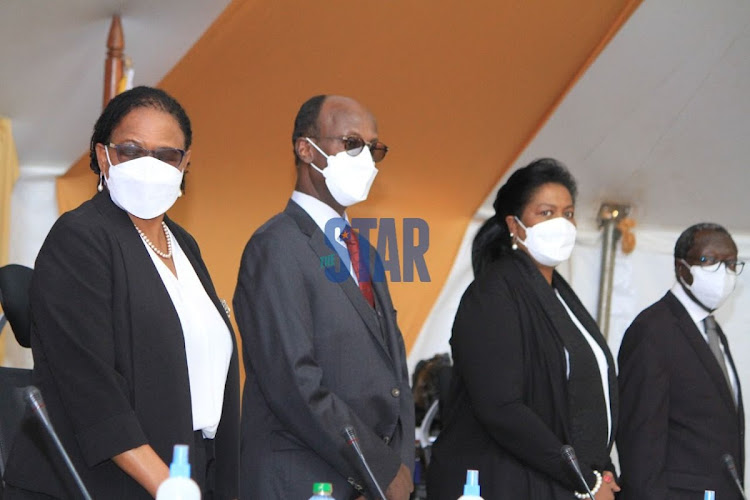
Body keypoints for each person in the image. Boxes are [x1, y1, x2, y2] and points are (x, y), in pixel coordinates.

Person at [3, 86, 240, 499]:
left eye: (166, 155)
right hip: (102, 483)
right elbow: (90, 388)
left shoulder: (183, 244)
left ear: (185, 164)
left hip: (184, 469)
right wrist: (166, 485)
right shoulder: (79, 238)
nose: (150, 164)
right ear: (102, 156)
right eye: (131, 150)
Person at [233, 95, 414, 500]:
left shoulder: (363, 251)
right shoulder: (275, 246)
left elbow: (395, 371)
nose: (365, 158)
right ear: (305, 148)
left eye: (373, 148)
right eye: (351, 143)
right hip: (302, 478)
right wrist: (379, 469)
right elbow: (294, 381)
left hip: (375, 481)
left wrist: (399, 464)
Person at [426, 159, 621, 499]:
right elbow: (501, 408)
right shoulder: (493, 293)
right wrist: (582, 479)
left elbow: (585, 398)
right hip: (506, 482)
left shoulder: (560, 295)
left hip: (564, 481)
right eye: (545, 213)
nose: (560, 223)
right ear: (514, 226)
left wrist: (602, 468)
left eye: (568, 213)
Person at [617, 223, 745, 499]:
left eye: (731, 263)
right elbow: (639, 441)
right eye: (709, 260)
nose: (723, 272)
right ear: (681, 268)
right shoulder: (652, 330)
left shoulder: (712, 330)